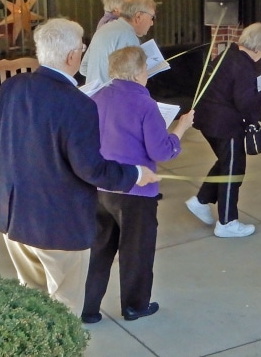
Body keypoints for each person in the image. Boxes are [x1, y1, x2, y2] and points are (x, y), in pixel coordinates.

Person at [0, 18, 158, 315]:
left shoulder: (13, 87)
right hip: (56, 223)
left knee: (33, 304)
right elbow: (91, 169)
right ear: (71, 56)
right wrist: (136, 174)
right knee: (65, 311)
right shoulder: (77, 104)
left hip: (13, 215)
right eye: (82, 47)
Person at [81, 47, 194, 324]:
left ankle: (89, 308)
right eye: (145, 69)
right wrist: (181, 128)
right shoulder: (146, 105)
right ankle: (134, 305)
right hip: (136, 190)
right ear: (138, 72)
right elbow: (161, 152)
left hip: (102, 185)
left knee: (100, 249)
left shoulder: (97, 97)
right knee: (136, 251)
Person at [187, 23, 261, 238]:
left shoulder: (226, 55)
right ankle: (227, 222)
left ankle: (201, 200)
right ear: (257, 49)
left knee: (226, 162)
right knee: (233, 172)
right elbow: (245, 102)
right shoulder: (244, 66)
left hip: (208, 120)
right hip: (226, 125)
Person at [80, 0, 156, 86]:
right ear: (138, 16)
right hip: (112, 97)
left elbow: (83, 68)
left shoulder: (104, 28)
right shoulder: (128, 36)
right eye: (152, 17)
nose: (152, 23)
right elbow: (131, 81)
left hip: (94, 96)